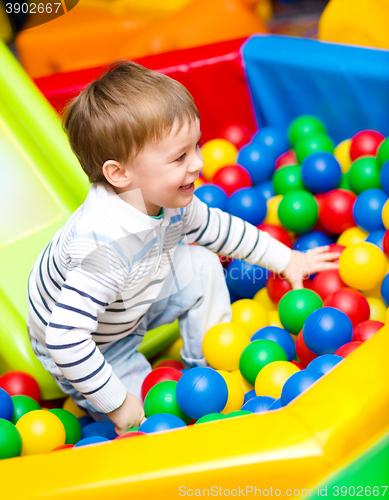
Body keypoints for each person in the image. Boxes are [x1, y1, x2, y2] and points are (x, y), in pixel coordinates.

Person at [26, 61, 339, 434]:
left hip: (133, 299)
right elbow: (65, 339)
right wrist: (118, 402)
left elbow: (218, 228)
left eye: (198, 146)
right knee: (150, 423)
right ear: (120, 174)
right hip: (94, 344)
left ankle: (212, 364)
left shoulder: (169, 198)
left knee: (202, 260)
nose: (199, 164)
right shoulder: (103, 246)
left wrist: (287, 259)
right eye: (180, 157)